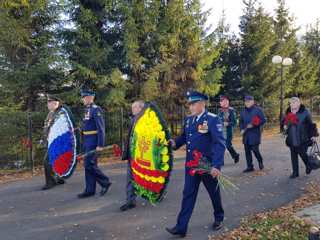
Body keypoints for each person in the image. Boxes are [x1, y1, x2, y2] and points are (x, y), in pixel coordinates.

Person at [166, 91, 226, 238]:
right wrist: (174, 143)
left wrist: (216, 166)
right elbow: (184, 137)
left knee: (214, 193)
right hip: (191, 166)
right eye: (190, 104)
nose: (191, 107)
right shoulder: (189, 120)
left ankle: (219, 217)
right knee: (188, 194)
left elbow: (220, 144)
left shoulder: (212, 119)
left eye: (193, 104)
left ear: (202, 104)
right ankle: (181, 227)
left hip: (207, 166)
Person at [78, 89, 112, 198]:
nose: (82, 99)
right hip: (87, 140)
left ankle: (105, 182)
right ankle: (90, 189)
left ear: (90, 97)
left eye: (84, 97)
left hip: (93, 140)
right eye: (82, 97)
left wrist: (100, 144)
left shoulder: (96, 109)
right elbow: (86, 125)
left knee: (89, 164)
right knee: (88, 165)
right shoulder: (86, 110)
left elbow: (101, 127)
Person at [282, 97, 317, 179]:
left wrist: (312, 135)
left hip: (303, 138)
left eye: (294, 102)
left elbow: (310, 124)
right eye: (291, 103)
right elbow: (283, 122)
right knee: (293, 155)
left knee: (302, 153)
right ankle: (295, 172)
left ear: (299, 103)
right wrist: (284, 126)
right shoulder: (287, 112)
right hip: (291, 137)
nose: (292, 104)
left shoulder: (305, 112)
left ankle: (308, 165)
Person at [120, 100, 145, 211]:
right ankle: (130, 201)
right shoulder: (133, 119)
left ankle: (158, 191)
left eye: (134, 107)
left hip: (142, 156)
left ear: (141, 108)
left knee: (146, 177)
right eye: (132, 107)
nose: (132, 109)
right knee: (130, 178)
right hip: (132, 154)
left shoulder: (146, 120)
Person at [41, 95, 68, 190]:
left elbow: (62, 129)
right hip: (50, 141)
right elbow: (46, 127)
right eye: (47, 102)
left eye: (49, 102)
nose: (47, 104)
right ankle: (59, 178)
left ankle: (51, 182)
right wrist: (44, 139)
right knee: (55, 160)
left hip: (57, 142)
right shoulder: (51, 113)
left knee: (47, 161)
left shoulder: (60, 114)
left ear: (56, 103)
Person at [239, 95, 266, 173]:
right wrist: (241, 129)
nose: (247, 103)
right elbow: (241, 122)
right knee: (247, 151)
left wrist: (254, 124)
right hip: (246, 134)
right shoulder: (243, 111)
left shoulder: (258, 110)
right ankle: (250, 166)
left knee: (255, 150)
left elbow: (263, 120)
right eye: (246, 101)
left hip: (255, 134)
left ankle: (260, 161)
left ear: (253, 101)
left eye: (248, 101)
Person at [218, 95, 240, 163]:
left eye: (224, 100)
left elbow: (234, 122)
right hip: (221, 131)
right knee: (221, 146)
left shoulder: (231, 110)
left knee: (228, 146)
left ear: (227, 101)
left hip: (228, 131)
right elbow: (218, 120)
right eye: (221, 101)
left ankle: (235, 155)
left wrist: (227, 124)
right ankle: (221, 161)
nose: (222, 102)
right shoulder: (220, 110)